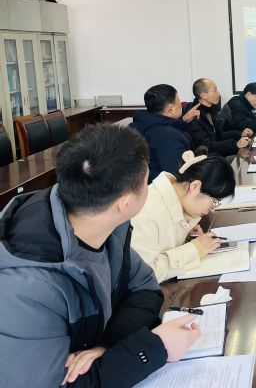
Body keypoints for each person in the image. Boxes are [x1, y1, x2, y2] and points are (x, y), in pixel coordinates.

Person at [0, 124, 201, 388]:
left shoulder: (106, 224)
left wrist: (108, 346)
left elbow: (145, 288)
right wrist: (154, 348)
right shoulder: (25, 289)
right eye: (146, 182)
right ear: (125, 203)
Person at [131, 150, 236, 283]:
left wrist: (187, 238)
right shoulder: (148, 211)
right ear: (195, 186)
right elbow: (144, 274)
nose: (212, 209)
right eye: (214, 201)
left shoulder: (178, 200)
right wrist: (195, 249)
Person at [131, 83, 201, 182]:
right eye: (179, 101)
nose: (181, 105)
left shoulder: (142, 124)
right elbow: (177, 176)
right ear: (170, 109)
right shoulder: (169, 137)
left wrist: (183, 121)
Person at [186, 78, 253, 158]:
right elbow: (206, 146)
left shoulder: (211, 110)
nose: (218, 94)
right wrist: (235, 144)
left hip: (218, 154)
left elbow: (220, 135)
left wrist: (240, 134)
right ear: (204, 95)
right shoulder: (194, 116)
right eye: (215, 90)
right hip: (210, 159)